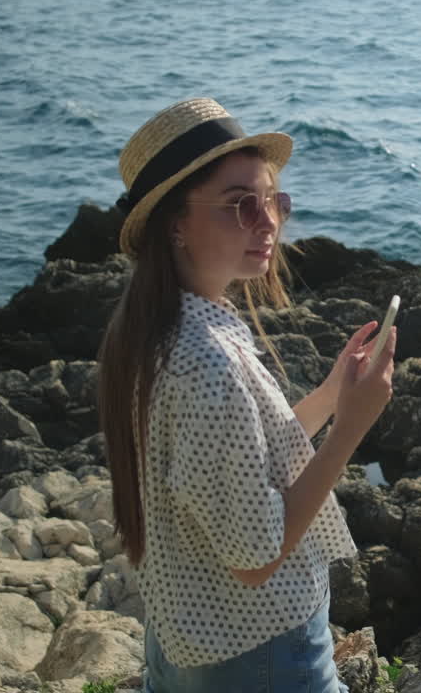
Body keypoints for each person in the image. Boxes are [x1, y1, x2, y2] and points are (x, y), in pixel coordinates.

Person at [96, 98, 395, 692]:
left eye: (273, 201)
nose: (269, 223)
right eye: (240, 205)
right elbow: (255, 559)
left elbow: (242, 461)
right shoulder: (206, 362)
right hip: (261, 652)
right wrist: (351, 431)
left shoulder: (163, 327)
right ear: (175, 222)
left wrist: (335, 392)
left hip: (187, 635)